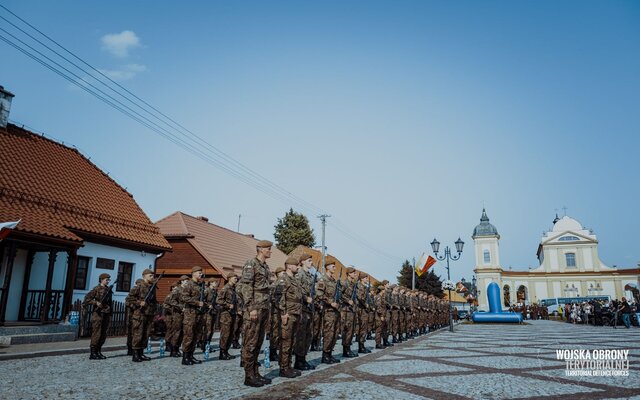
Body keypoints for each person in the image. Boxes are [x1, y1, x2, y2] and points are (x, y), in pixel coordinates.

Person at [237, 240, 274, 388]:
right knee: (250, 342)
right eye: (268, 249)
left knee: (258, 342)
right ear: (260, 250)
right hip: (255, 308)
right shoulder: (251, 264)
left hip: (264, 307)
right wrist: (251, 307)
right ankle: (249, 376)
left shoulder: (265, 266)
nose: (270, 251)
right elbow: (245, 287)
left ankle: (255, 372)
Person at [278, 256, 303, 378]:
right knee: (286, 342)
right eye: (295, 265)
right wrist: (283, 313)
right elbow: (278, 297)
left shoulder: (295, 280)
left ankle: (289, 366)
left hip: (296, 313)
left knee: (291, 341)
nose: (298, 267)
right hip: (288, 314)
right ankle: (283, 368)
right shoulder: (283, 279)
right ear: (288, 266)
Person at [125, 269, 158, 363]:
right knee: (138, 335)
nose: (152, 277)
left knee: (145, 335)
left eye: (153, 276)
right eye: (150, 276)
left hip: (149, 314)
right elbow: (128, 300)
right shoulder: (138, 287)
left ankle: (141, 353)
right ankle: (135, 354)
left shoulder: (152, 287)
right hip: (139, 315)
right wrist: (139, 303)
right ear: (144, 276)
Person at [83, 273, 113, 360]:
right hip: (98, 314)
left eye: (108, 280)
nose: (108, 281)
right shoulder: (96, 289)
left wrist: (111, 313)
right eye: (106, 280)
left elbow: (110, 302)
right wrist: (96, 303)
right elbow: (87, 299)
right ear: (101, 280)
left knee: (103, 334)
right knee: (97, 333)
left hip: (106, 313)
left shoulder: (108, 289)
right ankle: (93, 353)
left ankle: (99, 351)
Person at [293, 253, 316, 371]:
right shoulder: (299, 275)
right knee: (301, 336)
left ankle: (303, 358)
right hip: (301, 309)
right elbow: (295, 290)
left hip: (309, 310)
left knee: (308, 335)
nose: (311, 262)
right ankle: (298, 361)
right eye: (309, 260)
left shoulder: (310, 276)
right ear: (302, 262)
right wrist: (305, 298)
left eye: (311, 260)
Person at [179, 266, 206, 366]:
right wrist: (196, 303)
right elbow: (184, 297)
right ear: (193, 273)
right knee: (188, 336)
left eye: (201, 273)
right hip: (190, 314)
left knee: (196, 336)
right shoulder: (189, 285)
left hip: (198, 315)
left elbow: (203, 300)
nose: (201, 274)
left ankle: (191, 355)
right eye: (199, 273)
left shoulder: (200, 286)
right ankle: (185, 357)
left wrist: (205, 305)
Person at [316, 260, 341, 364]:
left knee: (335, 334)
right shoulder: (323, 279)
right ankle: (325, 355)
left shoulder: (334, 281)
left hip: (336, 311)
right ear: (327, 268)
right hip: (328, 311)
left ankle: (330, 354)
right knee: (329, 334)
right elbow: (319, 294)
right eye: (333, 266)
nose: (334, 268)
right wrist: (331, 303)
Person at [163, 276, 188, 357]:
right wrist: (180, 307)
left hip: (185, 314)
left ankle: (177, 348)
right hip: (177, 314)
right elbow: (172, 301)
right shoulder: (177, 290)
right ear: (182, 281)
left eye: (188, 281)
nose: (187, 282)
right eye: (185, 281)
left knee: (182, 333)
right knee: (176, 332)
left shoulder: (186, 290)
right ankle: (173, 349)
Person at [217, 273, 238, 360]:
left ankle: (226, 351)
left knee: (230, 334)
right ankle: (222, 353)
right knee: (225, 334)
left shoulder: (233, 289)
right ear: (229, 278)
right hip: (225, 314)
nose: (236, 279)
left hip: (232, 314)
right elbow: (218, 300)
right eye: (234, 278)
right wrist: (228, 305)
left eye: (236, 278)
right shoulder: (225, 288)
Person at [341, 267, 359, 358]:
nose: (355, 274)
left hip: (352, 311)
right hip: (346, 310)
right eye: (353, 273)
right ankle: (345, 350)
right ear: (348, 274)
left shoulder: (353, 285)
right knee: (346, 330)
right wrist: (348, 300)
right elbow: (340, 294)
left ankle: (348, 348)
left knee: (351, 331)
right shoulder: (344, 283)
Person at [269, 266, 286, 362]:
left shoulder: (284, 284)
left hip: (282, 311)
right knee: (275, 332)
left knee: (281, 331)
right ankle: (273, 352)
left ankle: (279, 350)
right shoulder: (274, 285)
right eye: (282, 273)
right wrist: (279, 306)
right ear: (278, 274)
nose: (284, 274)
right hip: (276, 312)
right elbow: (272, 298)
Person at [356, 273, 371, 354]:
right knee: (360, 328)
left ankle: (361, 346)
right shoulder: (359, 286)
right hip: (360, 309)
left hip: (364, 310)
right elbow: (359, 297)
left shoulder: (365, 287)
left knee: (363, 328)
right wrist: (366, 304)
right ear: (361, 278)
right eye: (365, 278)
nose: (366, 279)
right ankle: (360, 347)